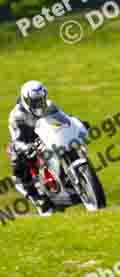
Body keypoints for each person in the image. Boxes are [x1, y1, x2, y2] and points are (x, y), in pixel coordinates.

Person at [8, 81, 85, 216]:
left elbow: (65, 118)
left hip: (48, 136)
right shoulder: (16, 116)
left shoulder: (49, 105)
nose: (39, 104)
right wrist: (25, 147)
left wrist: (77, 123)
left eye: (41, 100)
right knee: (15, 155)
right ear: (26, 100)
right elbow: (17, 140)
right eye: (35, 101)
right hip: (28, 141)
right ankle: (36, 197)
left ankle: (72, 178)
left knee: (69, 144)